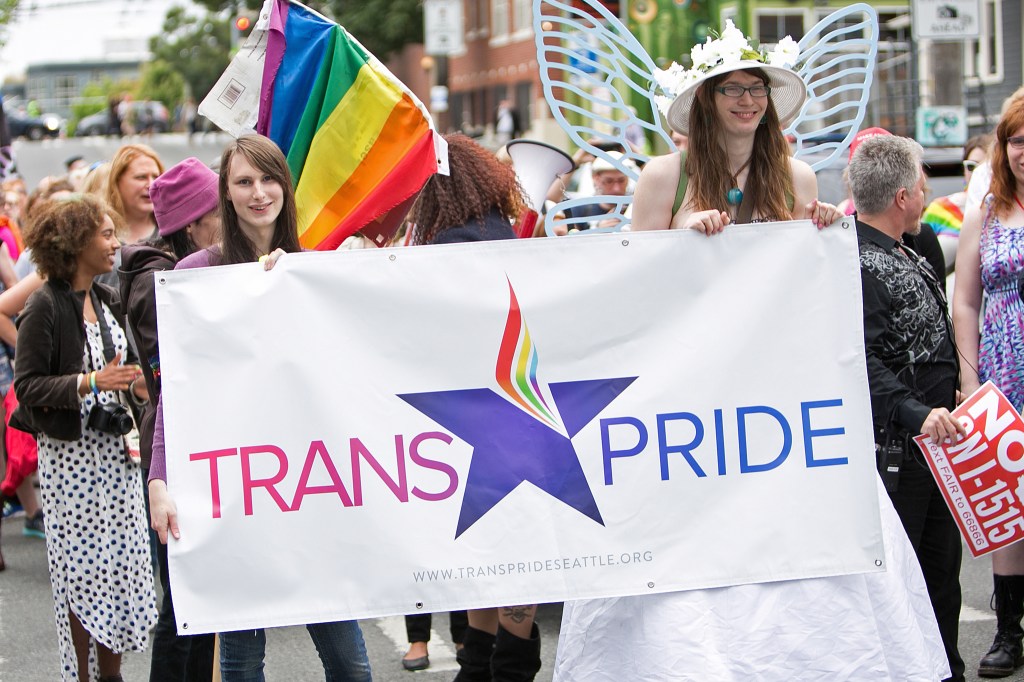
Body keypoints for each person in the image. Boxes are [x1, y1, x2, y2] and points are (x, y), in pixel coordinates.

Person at [553, 24, 950, 681]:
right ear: (705, 101)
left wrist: (819, 230)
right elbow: (628, 289)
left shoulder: (794, 177)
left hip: (773, 392)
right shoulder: (663, 177)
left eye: (756, 89)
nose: (746, 101)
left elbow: (798, 291)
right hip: (687, 391)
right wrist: (678, 235)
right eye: (732, 89)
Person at [147, 134, 372, 682]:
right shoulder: (195, 274)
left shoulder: (312, 268)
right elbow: (179, 390)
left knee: (351, 663)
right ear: (225, 192)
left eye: (268, 178)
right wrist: (159, 479)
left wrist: (301, 284)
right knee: (243, 664)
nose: (258, 193)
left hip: (308, 486)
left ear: (285, 187)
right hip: (235, 488)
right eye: (244, 181)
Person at [410, 133, 542, 682]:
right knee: (514, 549)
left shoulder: (449, 243)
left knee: (490, 548)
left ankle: (488, 664)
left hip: (474, 416)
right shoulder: (500, 232)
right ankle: (498, 662)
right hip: (520, 413)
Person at [12, 193, 157, 681]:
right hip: (71, 462)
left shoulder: (106, 298)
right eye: (106, 234)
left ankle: (111, 674)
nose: (116, 244)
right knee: (83, 574)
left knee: (119, 569)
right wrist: (90, 382)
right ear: (76, 242)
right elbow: (28, 387)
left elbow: (121, 374)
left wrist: (134, 387)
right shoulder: (45, 304)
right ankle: (81, 674)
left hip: (116, 457)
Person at [852, 134, 967, 682]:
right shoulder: (858, 262)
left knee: (942, 572)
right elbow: (860, 357)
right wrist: (916, 411)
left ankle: (948, 670)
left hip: (933, 444)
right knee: (910, 580)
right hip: (898, 451)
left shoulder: (906, 248)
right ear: (902, 197)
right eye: (922, 188)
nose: (926, 197)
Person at [118, 157, 221, 682]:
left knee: (203, 602)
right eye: (220, 210)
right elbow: (178, 370)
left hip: (195, 441)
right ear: (193, 224)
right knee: (182, 602)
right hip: (172, 447)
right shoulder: (155, 281)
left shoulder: (172, 269)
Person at [952, 98, 1024, 679]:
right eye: (1018, 140)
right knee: (1008, 499)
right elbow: (966, 302)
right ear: (1003, 148)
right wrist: (970, 377)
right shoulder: (987, 211)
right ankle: (1008, 632)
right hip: (1003, 371)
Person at [923, 134, 992, 274]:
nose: (977, 172)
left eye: (984, 167)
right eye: (971, 166)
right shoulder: (940, 209)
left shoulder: (1009, 212)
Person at [105, 144, 164, 245]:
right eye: (141, 177)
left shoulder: (174, 234)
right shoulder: (98, 231)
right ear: (117, 181)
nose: (151, 185)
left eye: (156, 177)